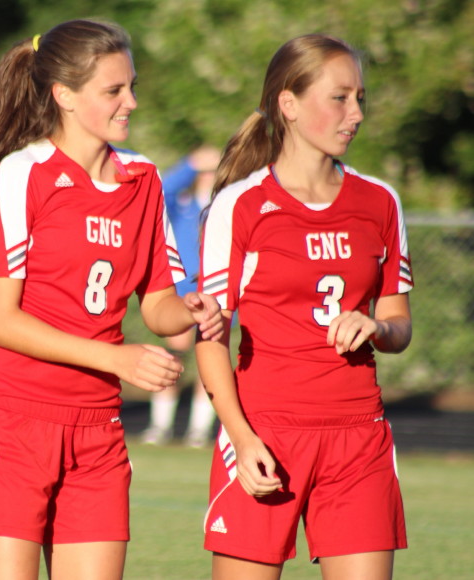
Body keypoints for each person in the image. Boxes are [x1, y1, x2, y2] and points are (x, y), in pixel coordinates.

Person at [0, 19, 222, 580]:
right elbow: (0, 321)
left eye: (132, 86)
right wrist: (116, 358)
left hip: (97, 429)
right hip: (12, 417)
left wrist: (191, 309)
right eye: (113, 90)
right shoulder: (24, 173)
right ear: (64, 95)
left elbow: (159, 305)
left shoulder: (143, 179)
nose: (131, 102)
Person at [195, 33, 413, 580]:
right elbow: (210, 339)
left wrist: (376, 327)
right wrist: (241, 438)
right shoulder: (241, 205)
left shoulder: (381, 201)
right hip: (266, 432)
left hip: (358, 436)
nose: (355, 113)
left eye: (360, 98)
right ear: (288, 104)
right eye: (339, 98)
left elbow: (399, 325)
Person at [141, 145, 220, 448]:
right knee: (171, 357)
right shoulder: (183, 204)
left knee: (209, 362)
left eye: (213, 171)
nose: (208, 176)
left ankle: (198, 430)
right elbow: (160, 192)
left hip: (215, 295)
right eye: (204, 172)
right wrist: (190, 163)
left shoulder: (223, 208)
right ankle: (160, 425)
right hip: (181, 294)